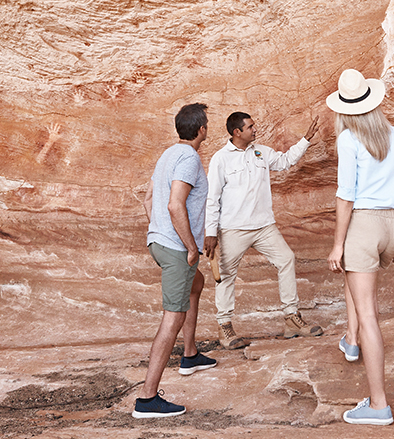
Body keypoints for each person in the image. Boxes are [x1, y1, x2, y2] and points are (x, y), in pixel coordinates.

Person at [325, 69, 394, 426]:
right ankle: (351, 339)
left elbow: (346, 197)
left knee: (369, 312)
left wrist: (338, 243)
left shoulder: (349, 139)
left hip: (365, 222)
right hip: (393, 222)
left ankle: (378, 406)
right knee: (355, 282)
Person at [204, 111, 324, 349]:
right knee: (226, 276)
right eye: (250, 127)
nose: (254, 130)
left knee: (286, 259)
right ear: (237, 132)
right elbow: (212, 197)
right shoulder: (221, 159)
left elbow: (285, 161)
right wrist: (210, 233)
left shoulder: (261, 151)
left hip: (264, 226)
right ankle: (225, 327)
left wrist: (306, 140)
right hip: (233, 228)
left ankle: (292, 319)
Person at [133, 103, 218, 419]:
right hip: (176, 248)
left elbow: (148, 199)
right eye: (206, 125)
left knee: (197, 283)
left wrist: (158, 234)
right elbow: (174, 205)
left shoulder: (168, 155)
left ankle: (190, 354)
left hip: (160, 243)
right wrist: (190, 247)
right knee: (172, 318)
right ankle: (147, 398)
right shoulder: (189, 159)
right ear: (201, 130)